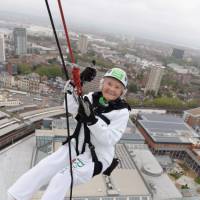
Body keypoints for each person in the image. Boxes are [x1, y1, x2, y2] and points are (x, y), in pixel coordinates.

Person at [8, 68, 130, 200]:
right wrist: (75, 84)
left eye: (117, 87)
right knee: (45, 166)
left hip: (96, 156)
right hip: (76, 145)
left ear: (122, 92)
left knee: (63, 177)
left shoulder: (121, 112)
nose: (112, 89)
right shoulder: (91, 97)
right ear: (103, 83)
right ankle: (15, 196)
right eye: (109, 83)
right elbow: (70, 107)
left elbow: (110, 139)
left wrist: (93, 120)